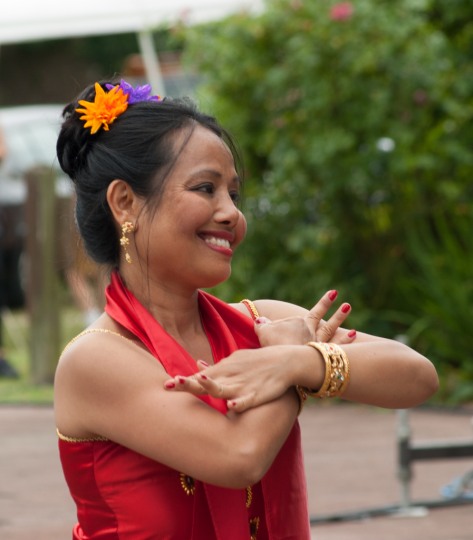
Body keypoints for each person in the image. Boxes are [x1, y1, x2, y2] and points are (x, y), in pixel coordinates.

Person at [54, 79, 439, 540]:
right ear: (124, 202)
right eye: (206, 188)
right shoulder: (95, 359)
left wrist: (301, 361)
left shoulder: (259, 322)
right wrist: (286, 366)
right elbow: (239, 457)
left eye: (233, 195)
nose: (231, 214)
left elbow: (418, 376)